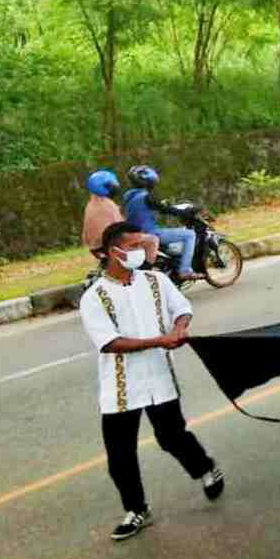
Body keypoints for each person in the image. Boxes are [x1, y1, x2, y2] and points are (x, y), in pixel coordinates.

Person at [79, 221, 224, 541]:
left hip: (160, 377)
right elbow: (110, 342)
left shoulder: (156, 280)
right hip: (120, 387)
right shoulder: (94, 297)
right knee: (120, 454)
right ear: (112, 252)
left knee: (172, 437)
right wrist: (160, 340)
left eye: (142, 245)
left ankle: (205, 468)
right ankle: (136, 510)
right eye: (133, 247)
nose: (142, 252)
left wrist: (180, 327)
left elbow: (181, 308)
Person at [122, 165, 203, 282]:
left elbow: (152, 208)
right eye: (152, 182)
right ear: (148, 182)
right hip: (151, 234)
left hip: (136, 234)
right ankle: (185, 271)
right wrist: (185, 212)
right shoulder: (146, 197)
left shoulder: (129, 196)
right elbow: (165, 210)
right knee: (189, 235)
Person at [83, 170, 155, 263]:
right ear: (103, 187)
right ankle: (147, 268)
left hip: (96, 246)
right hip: (112, 243)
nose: (115, 188)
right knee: (153, 239)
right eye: (112, 186)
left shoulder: (92, 204)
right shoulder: (107, 205)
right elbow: (119, 227)